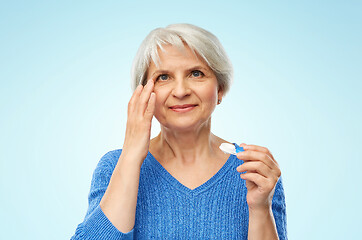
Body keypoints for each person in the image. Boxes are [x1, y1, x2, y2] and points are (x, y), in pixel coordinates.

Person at [71, 23, 287, 240]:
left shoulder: (255, 171)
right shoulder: (114, 166)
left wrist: (260, 208)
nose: (181, 91)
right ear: (144, 93)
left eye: (196, 73)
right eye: (163, 77)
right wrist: (130, 157)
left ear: (219, 88)